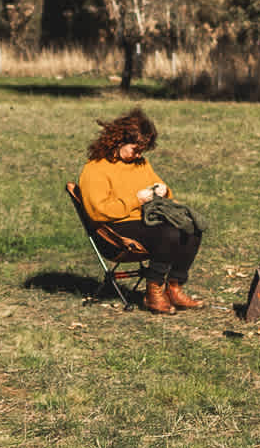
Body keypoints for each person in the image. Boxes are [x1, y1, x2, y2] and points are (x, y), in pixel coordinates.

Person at [78, 108, 205, 314]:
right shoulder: (95, 169)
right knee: (169, 233)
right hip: (113, 230)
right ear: (118, 141)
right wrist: (136, 200)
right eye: (135, 150)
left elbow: (158, 185)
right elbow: (98, 212)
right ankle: (154, 293)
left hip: (143, 220)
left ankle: (174, 287)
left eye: (141, 151)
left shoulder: (140, 163)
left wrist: (163, 190)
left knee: (192, 227)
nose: (138, 155)